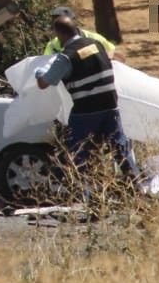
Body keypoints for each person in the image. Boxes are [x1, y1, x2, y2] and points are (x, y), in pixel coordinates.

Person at [34, 9, 138, 180]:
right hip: (110, 105)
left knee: (78, 153)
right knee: (120, 148)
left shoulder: (66, 57)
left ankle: (85, 195)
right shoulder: (95, 44)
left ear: (59, 34)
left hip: (86, 111)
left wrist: (39, 72)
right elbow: (115, 56)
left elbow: (44, 83)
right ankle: (135, 186)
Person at [41, 6, 122, 61]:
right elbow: (45, 64)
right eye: (56, 24)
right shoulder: (52, 46)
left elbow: (118, 56)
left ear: (73, 22)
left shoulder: (94, 39)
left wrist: (104, 57)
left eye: (63, 24)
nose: (58, 27)